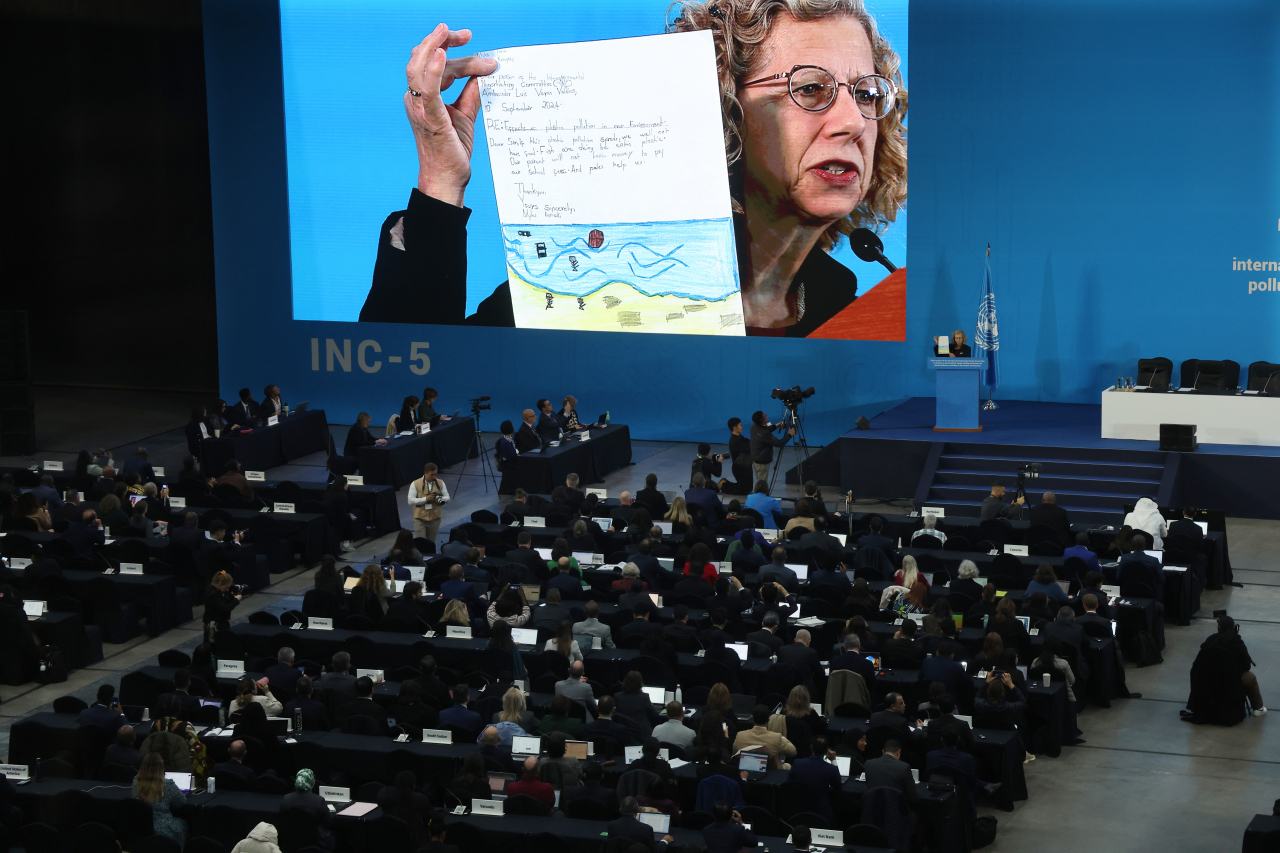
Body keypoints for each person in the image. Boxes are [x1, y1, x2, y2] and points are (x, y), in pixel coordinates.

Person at [361, 0, 906, 335]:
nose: (853, 122)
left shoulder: (846, 305)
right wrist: (440, 179)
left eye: (865, 93)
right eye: (811, 89)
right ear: (723, 109)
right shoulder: (604, 286)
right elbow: (416, 386)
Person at [1187, 615, 1266, 720]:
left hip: (1209, 679)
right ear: (1234, 627)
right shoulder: (1237, 642)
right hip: (1231, 681)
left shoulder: (1210, 640)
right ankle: (1258, 708)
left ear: (1219, 627)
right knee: (1251, 678)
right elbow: (1246, 665)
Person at [133, 752, 188, 846]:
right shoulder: (168, 784)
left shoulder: (136, 781)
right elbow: (181, 803)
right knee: (183, 824)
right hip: (164, 828)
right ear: (161, 766)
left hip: (141, 826)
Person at [787, 735, 841, 824]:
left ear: (811, 746)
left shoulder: (798, 763)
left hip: (798, 808)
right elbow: (838, 785)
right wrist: (833, 760)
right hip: (821, 811)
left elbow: (789, 783)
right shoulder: (831, 769)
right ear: (827, 750)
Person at [281, 768, 336, 851]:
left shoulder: (286, 798)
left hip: (291, 841)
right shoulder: (318, 800)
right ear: (312, 782)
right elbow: (327, 822)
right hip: (316, 842)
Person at [375, 770, 432, 847]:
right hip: (414, 842)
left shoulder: (384, 797)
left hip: (387, 842)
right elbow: (430, 819)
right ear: (413, 786)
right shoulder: (421, 800)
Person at [863, 739, 919, 804]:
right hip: (896, 810)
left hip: (873, 809)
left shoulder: (868, 764)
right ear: (898, 752)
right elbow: (914, 798)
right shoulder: (904, 767)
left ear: (883, 752)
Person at [608, 796, 674, 851]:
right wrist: (664, 841)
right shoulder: (646, 829)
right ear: (637, 809)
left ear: (620, 810)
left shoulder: (611, 826)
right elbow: (655, 851)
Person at [749, 412, 793, 484]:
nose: (766, 414)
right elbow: (778, 443)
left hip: (756, 457)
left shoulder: (754, 426)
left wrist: (775, 426)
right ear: (764, 420)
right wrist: (790, 435)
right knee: (762, 482)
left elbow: (764, 429)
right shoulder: (764, 434)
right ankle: (761, 493)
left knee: (760, 478)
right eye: (765, 415)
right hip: (762, 461)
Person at [203, 571, 241, 635]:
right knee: (213, 643)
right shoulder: (213, 594)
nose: (227, 590)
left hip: (219, 621)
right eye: (227, 587)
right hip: (214, 624)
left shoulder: (215, 588)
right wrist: (236, 600)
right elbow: (225, 608)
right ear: (220, 583)